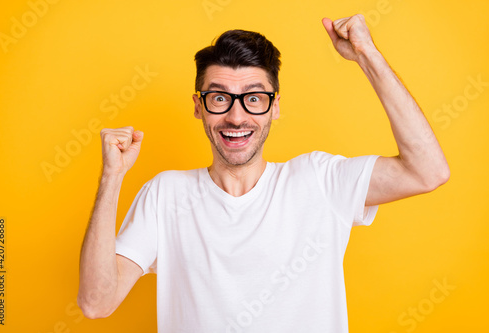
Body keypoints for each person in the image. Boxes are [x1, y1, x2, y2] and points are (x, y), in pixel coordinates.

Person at [77, 14, 449, 332]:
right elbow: (97, 302)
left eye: (254, 98)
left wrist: (367, 55)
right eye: (219, 97)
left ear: (275, 108)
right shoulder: (166, 195)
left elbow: (427, 171)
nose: (236, 117)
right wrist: (112, 176)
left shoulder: (319, 181)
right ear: (198, 106)